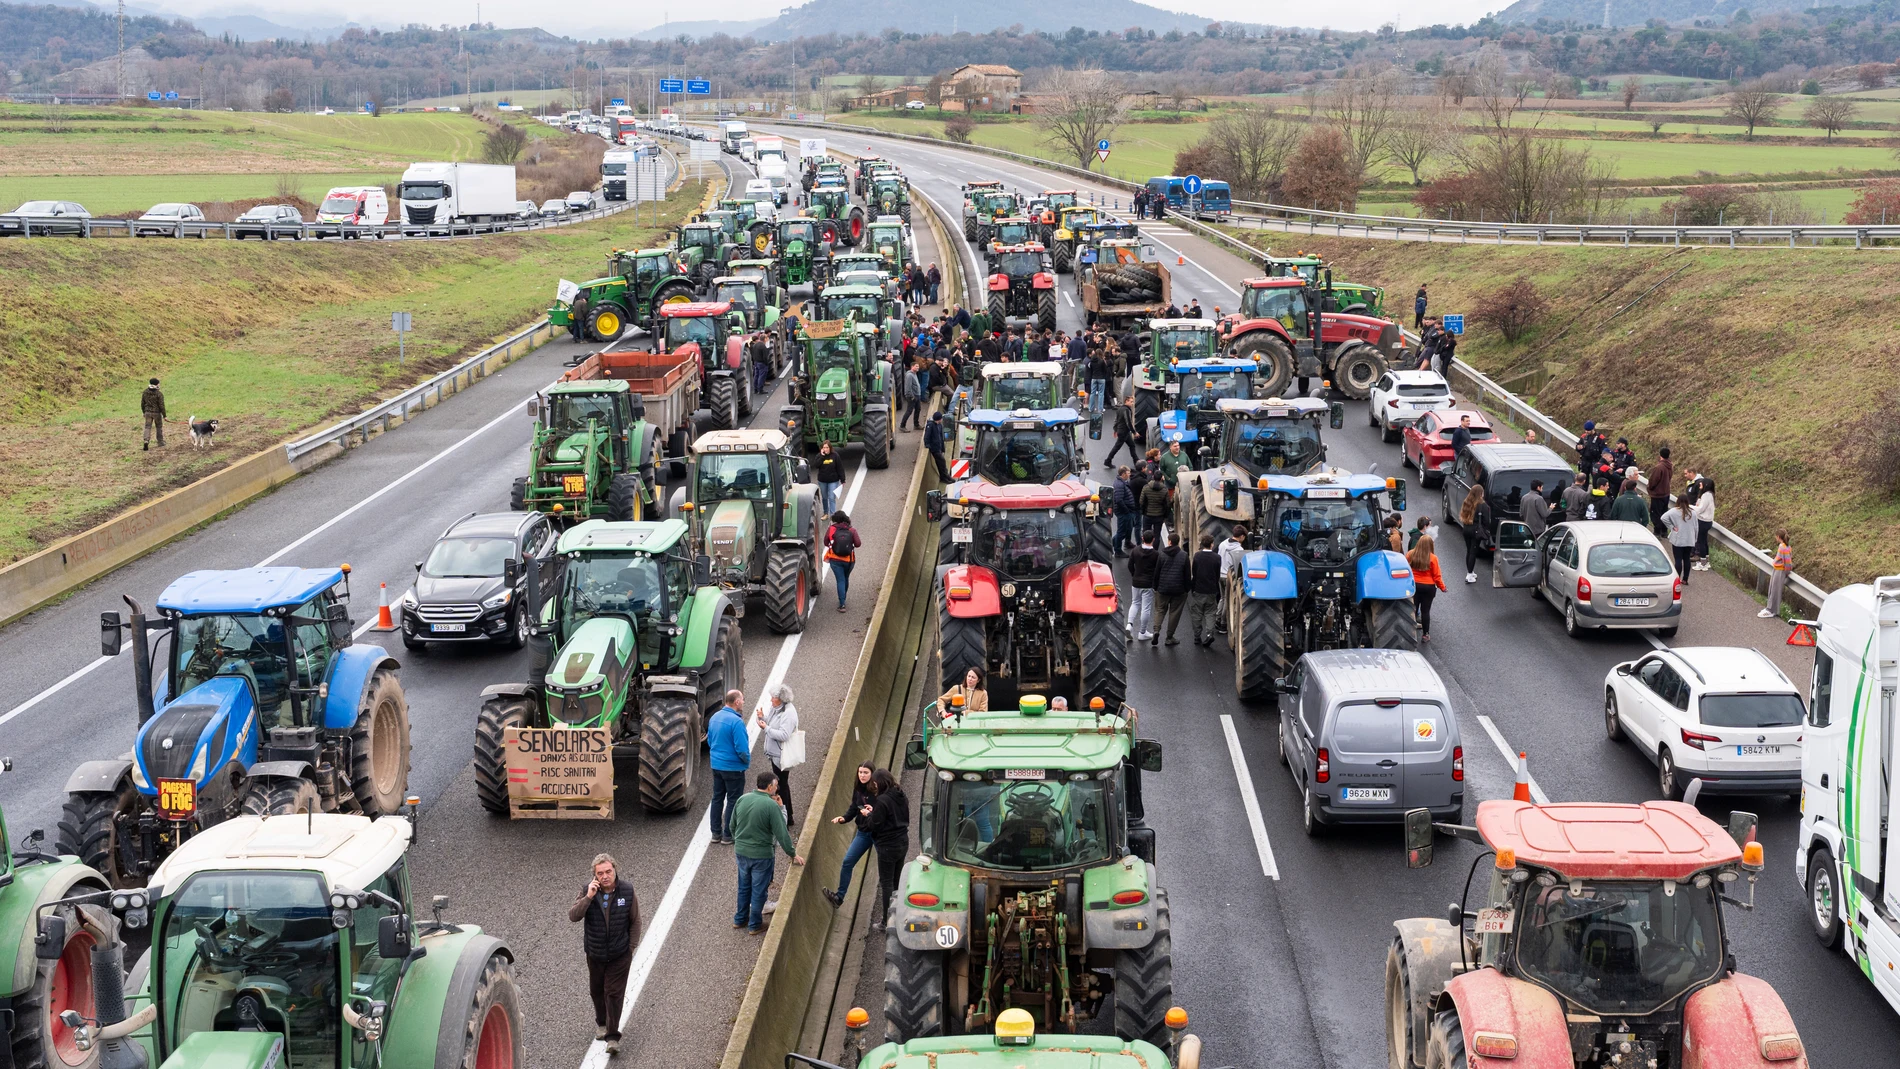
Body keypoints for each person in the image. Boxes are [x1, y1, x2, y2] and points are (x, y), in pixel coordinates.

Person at [569, 853, 641, 1054]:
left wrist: (630, 948)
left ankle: (612, 1036)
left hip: (620, 955)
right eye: (600, 873)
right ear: (595, 876)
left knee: (614, 994)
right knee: (597, 991)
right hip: (595, 954)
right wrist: (589, 897)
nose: (605, 876)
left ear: (615, 870)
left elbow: (636, 921)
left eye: (608, 871)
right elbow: (573, 916)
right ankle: (601, 1023)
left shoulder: (627, 890)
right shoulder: (587, 891)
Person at [732, 771, 804, 934]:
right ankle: (755, 924)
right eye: (776, 786)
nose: (777, 789)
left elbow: (732, 825)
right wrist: (792, 854)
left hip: (742, 852)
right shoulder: (771, 806)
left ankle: (740, 919)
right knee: (758, 890)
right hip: (761, 855)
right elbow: (782, 834)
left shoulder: (742, 799)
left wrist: (740, 843)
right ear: (770, 786)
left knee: (744, 886)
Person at [821, 763, 878, 908]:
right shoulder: (858, 789)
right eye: (860, 772)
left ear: (872, 774)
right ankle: (839, 897)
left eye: (865, 772)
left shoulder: (879, 790)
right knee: (847, 862)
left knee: (885, 866)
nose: (862, 775)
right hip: (863, 833)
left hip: (879, 833)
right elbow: (854, 807)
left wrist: (872, 813)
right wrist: (844, 818)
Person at [867, 769, 909, 930]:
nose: (874, 786)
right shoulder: (901, 795)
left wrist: (868, 815)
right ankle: (899, 915)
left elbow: (874, 824)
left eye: (876, 783)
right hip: (903, 841)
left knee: (886, 883)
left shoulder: (882, 800)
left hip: (887, 846)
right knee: (897, 881)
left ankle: (886, 921)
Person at [707, 690, 750, 844]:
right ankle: (728, 835)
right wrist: (746, 761)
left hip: (717, 766)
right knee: (733, 800)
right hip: (733, 767)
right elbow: (742, 748)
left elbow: (710, 741)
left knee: (717, 798)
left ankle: (715, 833)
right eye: (743, 700)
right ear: (737, 702)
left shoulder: (714, 718)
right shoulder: (736, 722)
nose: (744, 702)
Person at [757, 683, 800, 826]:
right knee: (782, 785)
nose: (771, 700)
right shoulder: (777, 709)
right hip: (776, 755)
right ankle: (789, 817)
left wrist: (766, 728)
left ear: (781, 699)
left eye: (773, 698)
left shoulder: (789, 713)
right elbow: (773, 722)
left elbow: (784, 734)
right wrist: (763, 718)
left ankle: (785, 818)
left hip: (781, 757)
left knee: (781, 786)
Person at [1153, 534, 1192, 647]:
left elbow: (1157, 572)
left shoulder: (1161, 555)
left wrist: (1155, 586)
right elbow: (1187, 574)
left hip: (1163, 588)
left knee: (1160, 610)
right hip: (1179, 590)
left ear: (1169, 541)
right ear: (1178, 542)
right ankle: (1169, 637)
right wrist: (1187, 589)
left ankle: (1156, 630)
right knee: (1174, 613)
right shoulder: (1184, 556)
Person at [1407, 536, 1448, 640]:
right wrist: (1442, 587)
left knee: (1413, 609)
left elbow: (1406, 568)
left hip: (1414, 585)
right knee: (1425, 611)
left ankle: (1411, 633)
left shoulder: (1410, 554)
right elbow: (1437, 576)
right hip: (1428, 587)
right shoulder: (1433, 558)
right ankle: (1426, 634)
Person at [1188, 534, 1223, 647]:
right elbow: (1217, 575)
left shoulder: (1197, 556)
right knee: (1210, 613)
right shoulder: (1217, 558)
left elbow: (1194, 572)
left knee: (1197, 614)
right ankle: (1209, 634)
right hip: (1211, 590)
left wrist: (1193, 588)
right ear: (1212, 544)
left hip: (1199, 589)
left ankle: (1197, 636)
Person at [1127, 529, 1160, 642]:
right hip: (1148, 584)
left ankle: (1129, 625)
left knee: (1135, 603)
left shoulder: (1135, 550)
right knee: (1145, 608)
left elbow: (1130, 565)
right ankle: (1142, 632)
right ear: (1153, 540)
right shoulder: (1156, 554)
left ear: (1142, 539)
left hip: (1136, 582)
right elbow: (1157, 570)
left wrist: (1134, 575)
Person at [825, 510, 861, 611]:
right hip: (849, 560)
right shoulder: (852, 530)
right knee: (845, 578)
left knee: (840, 580)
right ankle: (843, 597)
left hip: (835, 560)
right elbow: (858, 544)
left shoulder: (831, 529)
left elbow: (825, 542)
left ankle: (842, 604)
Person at [1457, 484, 1490, 584]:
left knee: (1468, 550)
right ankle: (1469, 574)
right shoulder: (1482, 505)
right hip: (1476, 531)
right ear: (1480, 493)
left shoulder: (1467, 502)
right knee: (1473, 552)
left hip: (1466, 528)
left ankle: (1470, 571)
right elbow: (1487, 520)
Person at [1662, 497, 1697, 584]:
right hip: (1689, 539)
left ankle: (1677, 579)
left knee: (1678, 559)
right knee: (1686, 559)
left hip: (1678, 539)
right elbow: (1696, 527)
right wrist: (1695, 538)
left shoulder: (1674, 511)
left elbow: (1663, 518)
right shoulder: (1693, 512)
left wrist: (1672, 527)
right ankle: (1685, 579)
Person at [1763, 530, 1793, 618]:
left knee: (1775, 590)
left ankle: (1771, 610)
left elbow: (1787, 561)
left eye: (1776, 536)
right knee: (1772, 589)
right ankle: (1770, 608)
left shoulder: (1782, 547)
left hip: (1780, 571)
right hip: (1777, 569)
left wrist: (1786, 572)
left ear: (1779, 537)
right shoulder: (1786, 546)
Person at [1138, 468, 1171, 545]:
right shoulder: (1164, 490)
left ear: (1153, 477)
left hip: (1147, 514)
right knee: (1156, 535)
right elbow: (1167, 504)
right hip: (1159, 516)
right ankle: (1155, 551)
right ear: (1161, 478)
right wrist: (1165, 516)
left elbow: (1141, 501)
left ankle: (1146, 548)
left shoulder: (1146, 487)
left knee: (1146, 533)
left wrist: (1143, 511)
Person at [1647, 445, 1674, 536]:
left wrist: (1650, 488)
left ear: (1660, 455)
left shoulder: (1659, 467)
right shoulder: (1669, 465)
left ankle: (1657, 531)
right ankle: (1664, 531)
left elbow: (1653, 480)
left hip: (1658, 494)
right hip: (1666, 493)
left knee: (1656, 514)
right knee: (1664, 512)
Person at [1107, 396, 1142, 466]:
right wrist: (1134, 432)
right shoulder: (1126, 410)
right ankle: (1108, 460)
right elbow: (1128, 422)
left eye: (1132, 402)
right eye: (1131, 402)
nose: (1132, 403)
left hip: (1123, 432)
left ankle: (1136, 461)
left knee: (1132, 445)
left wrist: (1115, 430)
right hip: (1124, 432)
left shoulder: (1120, 409)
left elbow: (1116, 420)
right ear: (1126, 401)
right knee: (1117, 447)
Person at [1111, 466, 1138, 556]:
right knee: (1122, 531)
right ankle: (1117, 550)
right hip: (1123, 512)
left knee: (1127, 529)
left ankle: (1114, 543)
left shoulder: (1122, 482)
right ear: (1123, 474)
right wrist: (1126, 511)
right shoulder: (1119, 484)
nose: (1129, 474)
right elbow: (1119, 500)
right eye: (1128, 473)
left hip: (1127, 511)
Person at [1691, 475, 1715, 570]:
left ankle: (1702, 563)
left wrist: (1690, 506)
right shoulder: (1710, 494)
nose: (1700, 484)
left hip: (1703, 521)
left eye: (1702, 482)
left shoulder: (1706, 495)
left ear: (1706, 484)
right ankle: (1706, 561)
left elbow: (1700, 509)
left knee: (1701, 542)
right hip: (1707, 521)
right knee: (1704, 542)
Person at [814, 441, 845, 516]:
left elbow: (840, 468)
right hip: (822, 481)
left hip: (833, 481)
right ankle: (825, 513)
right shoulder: (819, 456)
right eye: (824, 447)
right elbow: (816, 465)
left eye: (827, 447)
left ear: (830, 448)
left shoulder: (835, 456)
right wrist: (822, 456)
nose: (825, 449)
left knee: (831, 497)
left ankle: (832, 515)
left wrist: (842, 479)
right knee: (824, 497)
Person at [924, 412, 952, 482]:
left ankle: (945, 476)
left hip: (938, 447)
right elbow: (927, 436)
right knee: (941, 462)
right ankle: (945, 477)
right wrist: (928, 445)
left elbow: (940, 437)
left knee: (941, 463)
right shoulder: (930, 425)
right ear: (938, 419)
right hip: (935, 448)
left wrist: (942, 448)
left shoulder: (939, 425)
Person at [141, 377, 166, 450]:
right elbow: (161, 405)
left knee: (147, 427)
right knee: (158, 427)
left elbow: (142, 403)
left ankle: (146, 440)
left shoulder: (145, 392)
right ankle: (160, 442)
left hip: (147, 412)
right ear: (157, 384)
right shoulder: (159, 394)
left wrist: (144, 412)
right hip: (156, 413)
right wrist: (164, 415)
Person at [899, 361, 924, 431]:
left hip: (917, 395)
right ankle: (902, 425)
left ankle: (916, 425)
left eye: (918, 366)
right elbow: (908, 387)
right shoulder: (909, 375)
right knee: (909, 411)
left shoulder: (914, 374)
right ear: (912, 367)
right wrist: (912, 396)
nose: (918, 367)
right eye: (916, 366)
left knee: (918, 409)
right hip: (912, 396)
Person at [1084, 349, 1110, 416]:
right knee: (1101, 394)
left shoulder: (1091, 361)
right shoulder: (1102, 361)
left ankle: (1091, 408)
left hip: (1094, 378)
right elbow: (1105, 370)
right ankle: (1100, 409)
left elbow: (1091, 370)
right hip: (1101, 378)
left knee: (1092, 393)